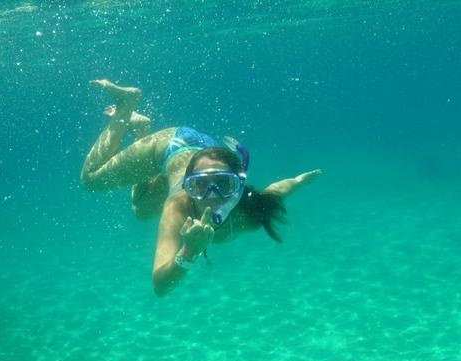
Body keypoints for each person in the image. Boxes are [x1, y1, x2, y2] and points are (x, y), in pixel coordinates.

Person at [80, 79, 322, 296]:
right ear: (188, 186)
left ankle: (139, 129)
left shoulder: (251, 212)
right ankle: (126, 103)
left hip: (208, 157)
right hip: (168, 146)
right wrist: (189, 251)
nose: (211, 197)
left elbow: (277, 190)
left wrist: (298, 181)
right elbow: (160, 287)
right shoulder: (178, 207)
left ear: (238, 186)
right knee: (91, 180)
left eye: (224, 184)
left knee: (141, 211)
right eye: (199, 186)